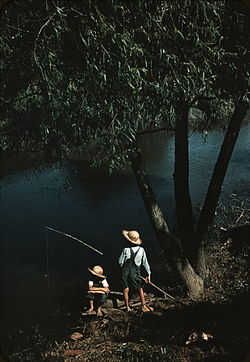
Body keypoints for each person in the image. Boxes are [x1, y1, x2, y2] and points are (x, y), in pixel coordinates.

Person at [118, 229, 153, 312]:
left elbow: (120, 262)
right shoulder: (141, 250)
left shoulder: (125, 250)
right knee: (139, 288)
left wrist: (122, 266)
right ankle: (143, 306)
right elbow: (145, 263)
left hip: (125, 271)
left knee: (126, 289)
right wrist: (149, 274)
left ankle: (127, 307)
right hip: (135, 272)